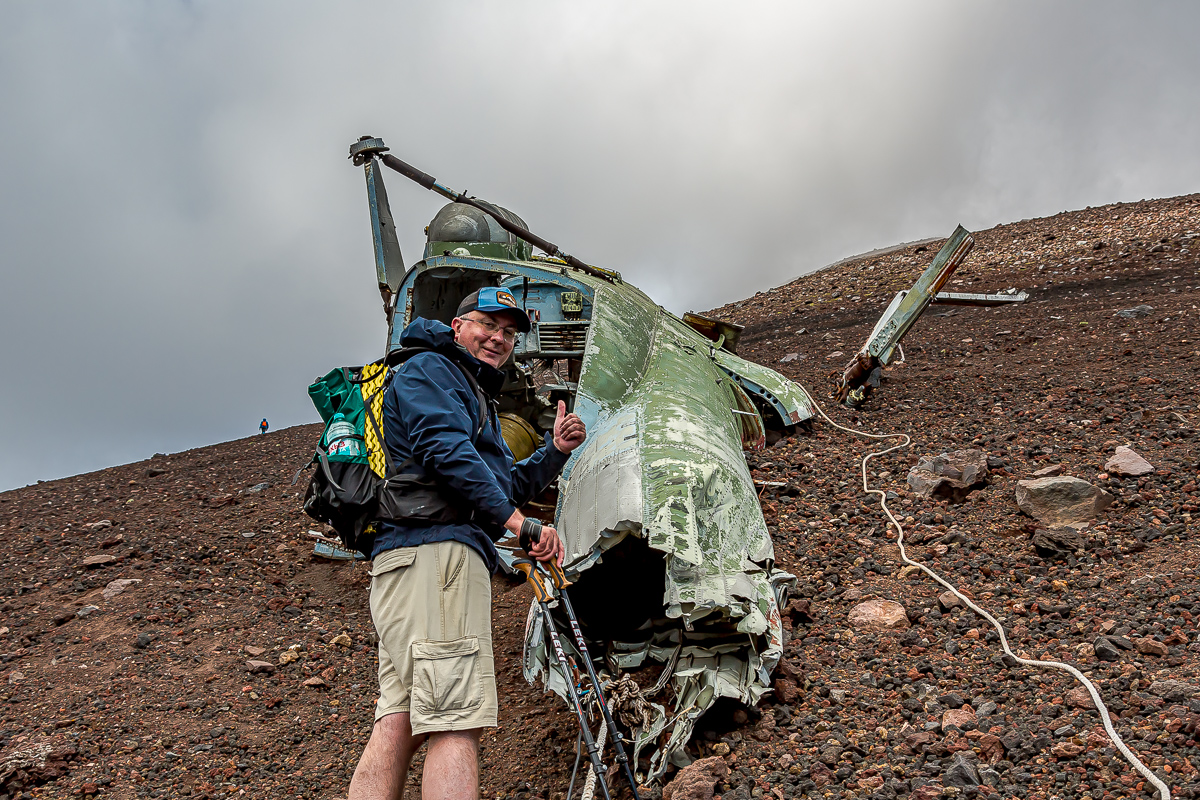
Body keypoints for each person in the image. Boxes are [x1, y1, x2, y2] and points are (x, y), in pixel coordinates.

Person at [348, 287, 587, 800]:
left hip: (414, 561)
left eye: (509, 332)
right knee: (456, 719)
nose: (499, 338)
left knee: (399, 718)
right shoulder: (432, 369)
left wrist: (554, 452)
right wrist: (520, 525)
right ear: (457, 327)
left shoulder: (466, 387)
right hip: (438, 558)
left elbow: (496, 483)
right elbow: (447, 454)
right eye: (487, 324)